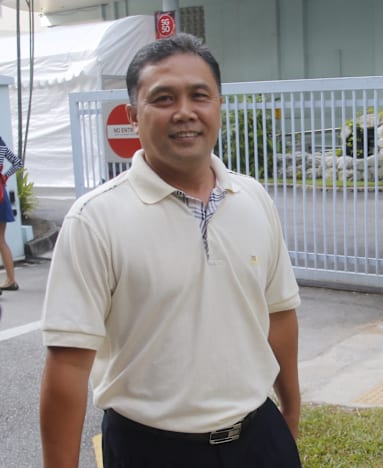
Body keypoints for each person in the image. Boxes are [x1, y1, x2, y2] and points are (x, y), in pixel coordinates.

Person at [39, 33, 302, 468]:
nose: (185, 112)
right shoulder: (95, 220)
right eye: (163, 98)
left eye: (200, 96)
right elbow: (67, 366)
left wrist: (290, 406)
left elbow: (279, 314)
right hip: (150, 449)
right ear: (133, 115)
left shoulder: (253, 199)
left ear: (218, 105)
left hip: (260, 439)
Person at [0, 135, 23, 292]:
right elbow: (17, 162)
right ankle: (10, 280)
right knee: (1, 239)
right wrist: (4, 176)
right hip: (1, 194)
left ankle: (10, 281)